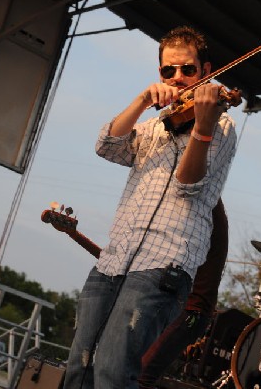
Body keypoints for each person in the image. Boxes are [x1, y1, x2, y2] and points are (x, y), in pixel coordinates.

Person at [63, 26, 237, 389]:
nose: (177, 78)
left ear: (205, 71)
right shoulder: (155, 124)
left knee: (114, 370)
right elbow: (107, 145)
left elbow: (188, 185)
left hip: (164, 263)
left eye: (187, 70)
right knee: (79, 366)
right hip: (116, 257)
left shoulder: (221, 122)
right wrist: (143, 100)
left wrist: (202, 127)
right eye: (167, 71)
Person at [138, 198, 228, 388]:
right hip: (181, 306)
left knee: (141, 375)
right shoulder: (205, 205)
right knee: (129, 370)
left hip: (189, 310)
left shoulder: (203, 207)